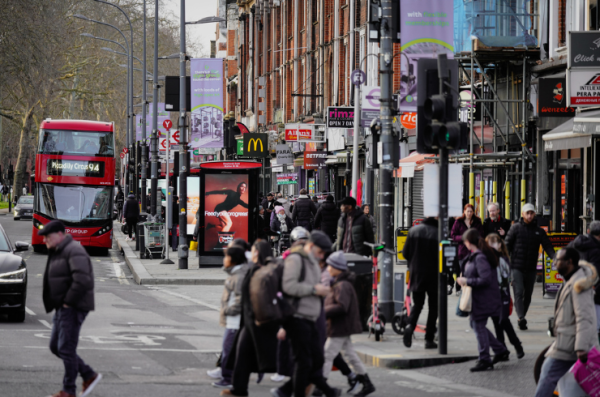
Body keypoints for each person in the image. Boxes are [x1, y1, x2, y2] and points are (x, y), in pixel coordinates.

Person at [272, 231, 341, 397]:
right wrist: (313, 290)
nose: (322, 256)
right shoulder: (295, 260)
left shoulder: (313, 262)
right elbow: (288, 286)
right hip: (297, 317)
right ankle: (296, 392)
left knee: (316, 360)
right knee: (303, 362)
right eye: (320, 252)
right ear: (310, 246)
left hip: (311, 318)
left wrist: (321, 291)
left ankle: (284, 390)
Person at [40, 220, 102, 397]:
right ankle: (89, 374)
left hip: (73, 306)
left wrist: (68, 301)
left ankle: (69, 391)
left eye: (47, 237)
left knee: (66, 348)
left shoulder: (74, 250)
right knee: (56, 347)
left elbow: (83, 279)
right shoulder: (59, 250)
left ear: (60, 234)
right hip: (63, 306)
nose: (45, 241)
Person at [534, 247, 599, 397]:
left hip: (571, 344)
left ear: (569, 262)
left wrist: (581, 347)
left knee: (547, 375)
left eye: (558, 260)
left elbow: (585, 317)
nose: (555, 263)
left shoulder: (579, 285)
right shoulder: (571, 280)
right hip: (568, 341)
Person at [222, 241, 279, 397]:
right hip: (249, 321)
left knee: (277, 357)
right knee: (242, 355)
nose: (250, 254)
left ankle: (300, 385)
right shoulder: (255, 268)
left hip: (259, 321)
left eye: (253, 251)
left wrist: (261, 318)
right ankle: (238, 389)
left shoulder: (263, 271)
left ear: (257, 253)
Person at [322, 251, 376, 397]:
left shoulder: (342, 285)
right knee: (350, 354)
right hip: (341, 326)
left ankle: (321, 386)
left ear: (337, 267)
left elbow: (342, 306)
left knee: (327, 355)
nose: (327, 268)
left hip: (340, 326)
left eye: (330, 266)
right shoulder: (339, 283)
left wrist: (323, 311)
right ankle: (367, 384)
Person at [457, 228, 509, 372]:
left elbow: (485, 279)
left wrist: (467, 280)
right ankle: (499, 349)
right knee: (475, 325)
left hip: (484, 298)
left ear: (468, 242)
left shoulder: (480, 257)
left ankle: (485, 359)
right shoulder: (477, 255)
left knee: (477, 326)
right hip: (482, 298)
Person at [505, 203, 555, 330]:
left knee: (528, 295)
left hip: (531, 267)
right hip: (517, 266)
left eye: (531, 213)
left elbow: (547, 246)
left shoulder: (539, 231)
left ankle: (522, 316)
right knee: (518, 291)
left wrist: (555, 258)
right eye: (527, 213)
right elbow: (507, 245)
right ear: (522, 214)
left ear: (534, 214)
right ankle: (521, 318)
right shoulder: (515, 228)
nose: (529, 215)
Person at [210, 246, 249, 389]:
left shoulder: (238, 276)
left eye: (226, 257)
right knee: (230, 350)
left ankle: (228, 378)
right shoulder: (235, 274)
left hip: (235, 321)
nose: (224, 259)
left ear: (233, 259)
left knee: (228, 350)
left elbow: (240, 299)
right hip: (233, 320)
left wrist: (228, 310)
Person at [401, 217, 439, 349]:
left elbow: (405, 253)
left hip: (417, 274)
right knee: (434, 307)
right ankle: (429, 339)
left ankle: (410, 326)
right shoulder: (438, 233)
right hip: (434, 275)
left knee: (418, 304)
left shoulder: (413, 231)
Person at [486, 233, 524, 359]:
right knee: (497, 322)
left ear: (500, 245)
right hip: (492, 295)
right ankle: (502, 350)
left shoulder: (503, 258)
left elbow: (505, 275)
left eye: (494, 243)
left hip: (503, 294)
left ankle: (517, 345)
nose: (491, 246)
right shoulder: (486, 258)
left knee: (503, 319)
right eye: (489, 244)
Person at [568, 220, 600, 335]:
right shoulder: (596, 250)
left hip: (574, 289)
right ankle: (593, 351)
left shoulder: (574, 244)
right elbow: (596, 273)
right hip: (594, 293)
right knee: (595, 327)